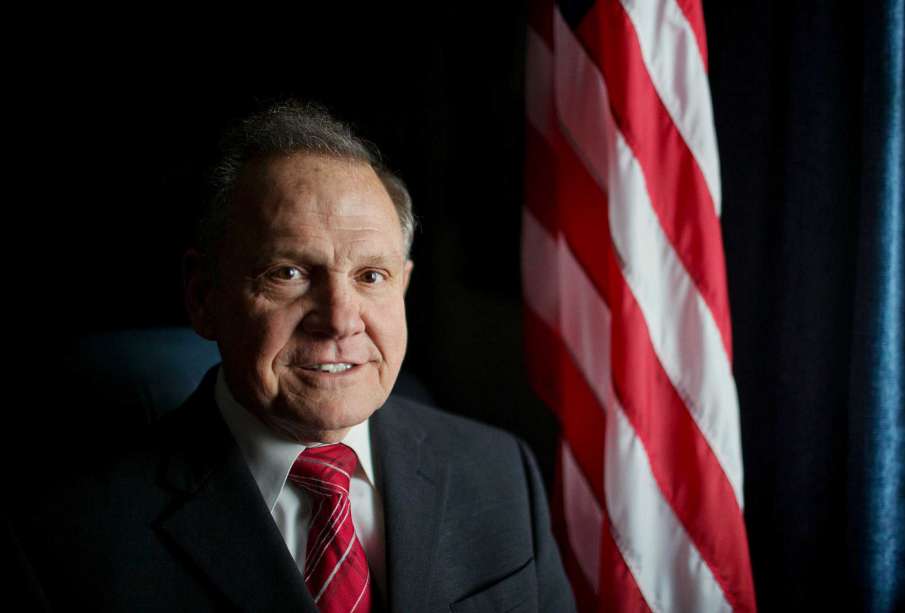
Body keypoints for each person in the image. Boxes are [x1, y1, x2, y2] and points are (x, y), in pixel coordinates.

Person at [11, 101, 575, 612]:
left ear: (402, 287)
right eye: (289, 273)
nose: (339, 317)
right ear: (204, 298)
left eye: (370, 276)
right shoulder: (68, 537)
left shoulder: (500, 474)